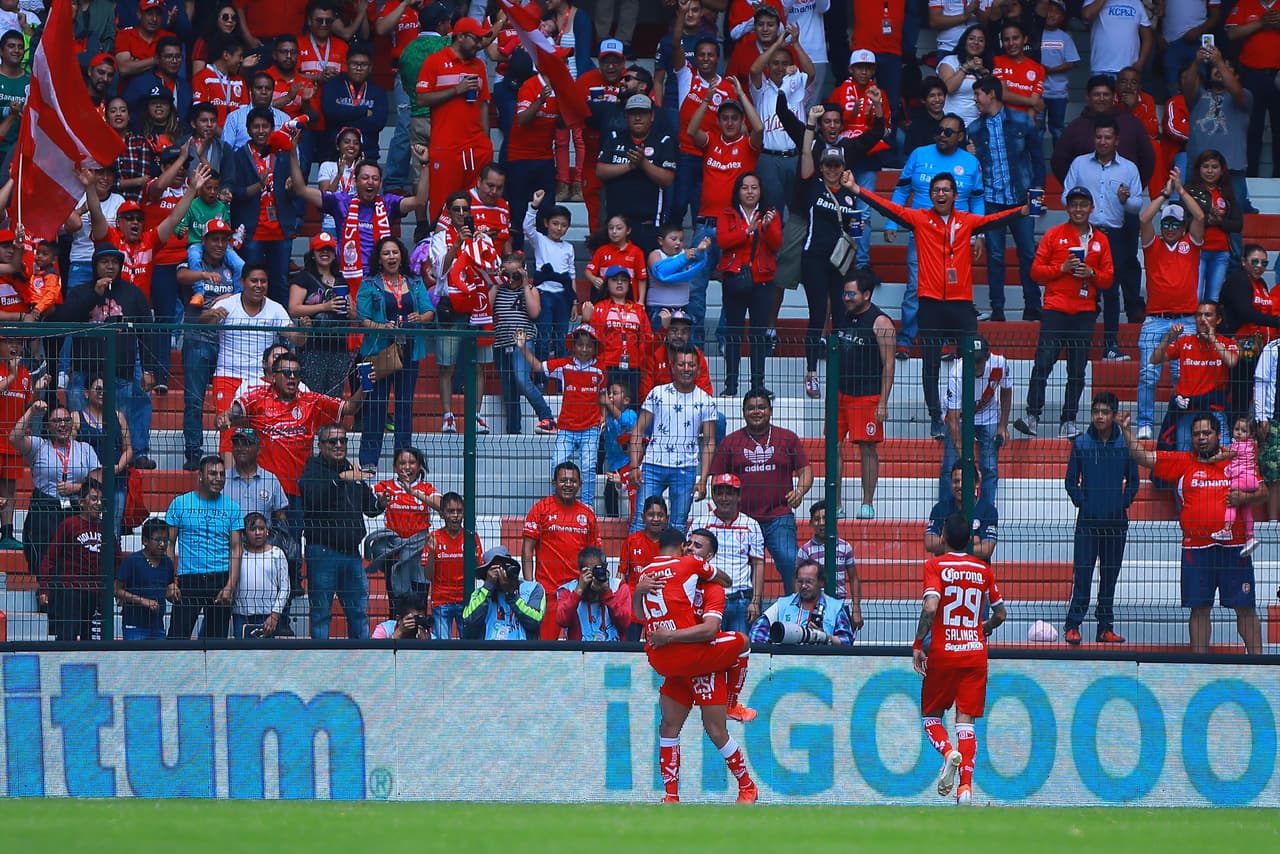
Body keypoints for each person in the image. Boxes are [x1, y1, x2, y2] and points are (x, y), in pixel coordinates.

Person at [847, 172, 1029, 440]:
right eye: (936, 190)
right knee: (930, 363)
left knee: (970, 360)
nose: (941, 194)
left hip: (961, 304)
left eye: (946, 190)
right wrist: (857, 190)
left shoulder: (966, 220)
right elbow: (889, 208)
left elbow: (994, 220)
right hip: (931, 302)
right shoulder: (920, 218)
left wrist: (1022, 211)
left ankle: (968, 414)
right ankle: (936, 418)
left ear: (955, 195)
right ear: (930, 195)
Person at [1119, 410, 1265, 654]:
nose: (1201, 438)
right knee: (1199, 609)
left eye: (1207, 433)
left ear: (1218, 435)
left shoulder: (1235, 459)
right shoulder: (1183, 461)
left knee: (1246, 609)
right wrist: (1125, 430)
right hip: (1196, 550)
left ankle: (1258, 664)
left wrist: (1243, 497)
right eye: (1196, 434)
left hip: (1235, 548)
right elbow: (1143, 456)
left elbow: (1263, 492)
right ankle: (1200, 666)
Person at [634, 527, 758, 804]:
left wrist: (669, 635)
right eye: (688, 544)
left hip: (700, 663)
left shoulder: (712, 588)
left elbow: (710, 630)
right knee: (668, 726)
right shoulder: (666, 578)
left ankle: (747, 786)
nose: (690, 548)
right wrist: (639, 591)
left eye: (697, 546)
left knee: (716, 731)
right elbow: (641, 614)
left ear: (709, 557)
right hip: (678, 662)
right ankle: (670, 796)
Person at [913, 512, 1007, 807]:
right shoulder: (983, 569)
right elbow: (1001, 614)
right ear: (969, 540)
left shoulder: (935, 565)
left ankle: (947, 753)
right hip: (975, 654)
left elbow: (931, 607)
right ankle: (965, 788)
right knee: (966, 722)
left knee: (931, 717)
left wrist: (918, 643)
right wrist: (983, 628)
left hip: (943, 653)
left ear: (942, 537)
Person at [216, 349, 365, 525]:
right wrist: (226, 416)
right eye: (287, 373)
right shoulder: (257, 397)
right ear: (273, 376)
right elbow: (234, 411)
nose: (292, 377)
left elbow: (349, 408)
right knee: (256, 538)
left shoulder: (311, 401)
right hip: (264, 487)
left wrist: (366, 385)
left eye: (296, 373)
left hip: (297, 490)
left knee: (292, 539)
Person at [1015, 187, 1115, 439]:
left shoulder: (1101, 240)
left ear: (1091, 208)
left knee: (1077, 369)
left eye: (1083, 204)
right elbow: (1035, 272)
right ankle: (1032, 416)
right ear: (1067, 208)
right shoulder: (1053, 235)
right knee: (1043, 364)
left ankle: (1068, 421)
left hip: (1084, 312)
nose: (1078, 209)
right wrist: (1061, 268)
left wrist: (1091, 273)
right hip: (1055, 310)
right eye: (1074, 204)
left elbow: (1108, 279)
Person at [886, 112, 984, 360]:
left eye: (948, 132)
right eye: (939, 130)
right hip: (922, 235)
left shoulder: (971, 162)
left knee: (950, 291)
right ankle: (906, 339)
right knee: (914, 287)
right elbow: (901, 190)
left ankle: (944, 341)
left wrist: (979, 234)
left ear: (961, 137)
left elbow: (977, 200)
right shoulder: (919, 155)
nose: (942, 135)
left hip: (956, 239)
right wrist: (891, 222)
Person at [1060, 117, 1144, 361]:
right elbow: (1064, 197)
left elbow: (1137, 205)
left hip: (1114, 236)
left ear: (1116, 140)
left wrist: (1125, 200)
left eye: (1108, 137)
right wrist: (1079, 202)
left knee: (1111, 291)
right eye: (1099, 137)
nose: (1103, 141)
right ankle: (1078, 345)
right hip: (1084, 233)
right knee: (1081, 288)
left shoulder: (1129, 168)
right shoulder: (1079, 163)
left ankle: (1110, 345)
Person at [1062, 392, 1140, 645]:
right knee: (1083, 575)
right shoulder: (1081, 443)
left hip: (1116, 522)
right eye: (1095, 411)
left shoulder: (1125, 444)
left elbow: (1134, 481)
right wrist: (1084, 503)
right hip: (1087, 522)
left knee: (1109, 577)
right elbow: (1070, 482)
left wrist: (1122, 503)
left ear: (1114, 415)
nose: (1099, 416)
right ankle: (1073, 625)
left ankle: (1105, 628)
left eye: (1105, 412)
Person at [1135, 170, 1207, 441]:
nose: (1169, 228)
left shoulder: (1191, 244)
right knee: (1148, 374)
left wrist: (1181, 191)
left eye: (1175, 224)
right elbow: (1144, 218)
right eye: (1166, 223)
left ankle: (1181, 426)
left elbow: (1200, 217)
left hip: (1186, 321)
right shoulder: (1152, 245)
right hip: (1155, 320)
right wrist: (1165, 194)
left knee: (1183, 376)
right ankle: (1144, 423)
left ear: (1182, 227)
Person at [299, 423, 387, 639]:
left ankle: (361, 656)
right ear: (320, 445)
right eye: (332, 441)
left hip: (352, 554)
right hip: (323, 552)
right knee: (321, 615)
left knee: (358, 613)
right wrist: (339, 480)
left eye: (343, 440)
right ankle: (321, 657)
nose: (339, 445)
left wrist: (381, 503)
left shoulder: (351, 469)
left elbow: (369, 507)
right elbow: (314, 498)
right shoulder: (312, 469)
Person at [967, 75, 1043, 321]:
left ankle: (1033, 306)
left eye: (978, 94)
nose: (975, 99)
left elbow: (1038, 158)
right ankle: (998, 309)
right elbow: (973, 168)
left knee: (1028, 253)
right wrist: (970, 155)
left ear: (991, 94)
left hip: (1022, 198)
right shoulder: (974, 129)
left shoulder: (1023, 120)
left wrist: (1038, 190)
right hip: (991, 200)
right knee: (996, 256)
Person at [355, 237, 434, 472]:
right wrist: (381, 327)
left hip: (409, 349)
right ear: (379, 259)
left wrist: (420, 318)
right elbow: (362, 318)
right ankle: (368, 461)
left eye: (395, 252)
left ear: (402, 256)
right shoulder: (369, 283)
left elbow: (429, 311)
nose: (391, 257)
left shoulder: (415, 282)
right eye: (386, 253)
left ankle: (404, 462)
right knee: (375, 405)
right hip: (377, 351)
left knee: (404, 405)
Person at [629, 346, 719, 533]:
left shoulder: (706, 400)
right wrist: (634, 466)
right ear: (672, 366)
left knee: (678, 525)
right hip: (653, 465)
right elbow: (638, 430)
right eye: (681, 364)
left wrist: (703, 479)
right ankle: (633, 554)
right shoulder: (657, 393)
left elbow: (710, 441)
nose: (686, 369)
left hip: (685, 469)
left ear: (698, 368)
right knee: (640, 521)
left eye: (691, 365)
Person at [515, 325, 606, 508]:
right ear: (573, 346)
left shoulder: (600, 370)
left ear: (595, 348)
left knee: (588, 467)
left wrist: (603, 416)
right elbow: (538, 366)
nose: (584, 349)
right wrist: (523, 347)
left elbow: (602, 396)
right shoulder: (564, 365)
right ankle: (556, 506)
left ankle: (587, 507)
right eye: (580, 345)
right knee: (557, 465)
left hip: (590, 428)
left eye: (589, 346)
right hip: (566, 429)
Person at [12, 400, 100, 588]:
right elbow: (15, 437)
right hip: (46, 508)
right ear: (48, 426)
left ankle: (72, 591)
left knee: (74, 555)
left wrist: (75, 488)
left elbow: (98, 482)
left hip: (76, 508)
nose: (62, 425)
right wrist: (31, 411)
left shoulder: (85, 449)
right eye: (57, 421)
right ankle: (46, 591)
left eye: (66, 420)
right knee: (44, 552)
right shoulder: (39, 446)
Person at [416, 17, 494, 220]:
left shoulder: (479, 65)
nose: (479, 44)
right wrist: (456, 90)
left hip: (476, 147)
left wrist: (486, 143)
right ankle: (439, 239)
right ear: (461, 37)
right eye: (476, 39)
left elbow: (483, 104)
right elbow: (421, 99)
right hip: (447, 147)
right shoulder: (434, 61)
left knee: (474, 207)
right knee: (442, 204)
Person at [833, 267, 896, 517]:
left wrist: (883, 402)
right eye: (844, 294)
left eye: (852, 294)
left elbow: (888, 364)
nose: (846, 298)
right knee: (833, 446)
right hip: (839, 392)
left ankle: (867, 503)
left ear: (866, 295)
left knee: (867, 448)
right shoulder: (843, 315)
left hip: (867, 395)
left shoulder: (880, 322)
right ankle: (836, 504)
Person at [522, 461, 603, 640]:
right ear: (554, 483)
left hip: (578, 593)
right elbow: (527, 550)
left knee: (579, 648)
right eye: (563, 480)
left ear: (580, 484)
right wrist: (529, 587)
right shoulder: (540, 509)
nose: (568, 484)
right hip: (548, 594)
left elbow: (596, 555)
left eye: (573, 481)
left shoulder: (588, 515)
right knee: (545, 649)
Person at [715, 173, 781, 395]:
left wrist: (766, 228)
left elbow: (776, 244)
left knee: (758, 335)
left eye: (754, 187)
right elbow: (723, 241)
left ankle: (758, 386)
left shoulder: (770, 214)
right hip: (734, 279)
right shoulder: (727, 213)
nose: (750, 192)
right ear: (738, 191)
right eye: (745, 188)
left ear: (761, 190)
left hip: (763, 280)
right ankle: (731, 385)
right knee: (733, 333)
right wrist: (747, 231)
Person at [166, 455, 244, 640]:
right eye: (213, 473)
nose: (218, 478)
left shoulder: (232, 508)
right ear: (200, 475)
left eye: (222, 474)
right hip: (189, 579)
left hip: (220, 579)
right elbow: (169, 545)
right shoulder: (180, 504)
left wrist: (230, 586)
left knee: (216, 642)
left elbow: (236, 549)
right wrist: (169, 582)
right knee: (177, 640)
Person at [596, 95, 678, 256]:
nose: (638, 118)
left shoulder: (663, 141)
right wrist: (630, 166)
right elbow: (600, 171)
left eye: (643, 113)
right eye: (633, 113)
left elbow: (667, 179)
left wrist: (643, 164)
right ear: (626, 116)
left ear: (652, 116)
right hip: (616, 226)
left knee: (646, 270)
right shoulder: (614, 137)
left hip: (648, 225)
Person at [1150, 302, 1238, 450]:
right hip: (1187, 411)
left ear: (1218, 320)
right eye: (1199, 315)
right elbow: (1154, 359)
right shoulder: (1184, 342)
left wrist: (1212, 339)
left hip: (1214, 410)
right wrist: (1169, 337)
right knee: (1184, 456)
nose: (1202, 319)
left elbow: (1231, 361)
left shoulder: (1227, 342)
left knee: (1221, 457)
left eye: (1208, 315)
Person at [687, 475, 765, 634]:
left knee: (740, 646)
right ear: (713, 496)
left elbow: (758, 563)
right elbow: (688, 559)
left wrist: (755, 601)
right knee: (710, 645)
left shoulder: (751, 524)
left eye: (729, 493)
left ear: (738, 496)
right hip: (709, 598)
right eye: (719, 493)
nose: (724, 498)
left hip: (741, 600)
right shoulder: (700, 523)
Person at [941, 337, 1012, 507]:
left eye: (979, 361)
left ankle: (986, 511)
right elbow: (953, 421)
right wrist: (968, 462)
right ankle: (946, 512)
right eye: (972, 361)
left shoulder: (999, 364)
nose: (975, 365)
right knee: (950, 466)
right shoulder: (957, 373)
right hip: (961, 416)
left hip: (988, 414)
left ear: (987, 357)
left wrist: (1003, 426)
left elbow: (1007, 390)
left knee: (990, 467)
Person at [492, 255, 556, 435]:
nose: (511, 280)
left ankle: (547, 417)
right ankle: (513, 431)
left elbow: (534, 312)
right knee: (509, 389)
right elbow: (485, 308)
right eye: (508, 275)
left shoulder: (530, 289)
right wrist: (496, 281)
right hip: (501, 341)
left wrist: (526, 283)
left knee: (522, 379)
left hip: (522, 341)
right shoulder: (498, 289)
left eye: (516, 275)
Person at [287, 232, 354, 397]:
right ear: (313, 254)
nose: (325, 253)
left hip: (339, 347)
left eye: (329, 249)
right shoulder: (303, 278)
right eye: (320, 249)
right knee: (312, 394)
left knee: (335, 395)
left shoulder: (341, 279)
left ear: (334, 254)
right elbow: (293, 309)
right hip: (312, 347)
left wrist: (349, 309)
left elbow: (353, 314)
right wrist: (325, 306)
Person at [371, 447, 440, 604]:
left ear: (419, 466)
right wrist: (379, 501)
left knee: (420, 602)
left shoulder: (426, 488)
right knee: (396, 603)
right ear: (395, 467)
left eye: (412, 463)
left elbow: (442, 506)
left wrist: (414, 493)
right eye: (402, 463)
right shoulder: (385, 486)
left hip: (420, 551)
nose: (407, 467)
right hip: (394, 551)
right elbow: (363, 497)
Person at [39, 480, 105, 642]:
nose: (98, 503)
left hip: (96, 592)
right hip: (70, 591)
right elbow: (50, 557)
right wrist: (45, 587)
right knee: (67, 638)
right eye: (94, 499)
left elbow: (115, 558)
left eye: (101, 500)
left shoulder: (105, 528)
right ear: (81, 502)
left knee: (92, 641)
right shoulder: (69, 524)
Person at [71, 374, 132, 538]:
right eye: (98, 389)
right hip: (87, 483)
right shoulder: (76, 417)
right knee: (85, 528)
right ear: (86, 393)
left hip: (115, 481)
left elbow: (128, 448)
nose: (101, 393)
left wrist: (118, 467)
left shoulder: (118, 416)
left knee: (113, 529)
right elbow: (70, 449)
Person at [581, 266, 651, 404]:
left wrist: (642, 366)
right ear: (607, 283)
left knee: (631, 407)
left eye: (623, 280)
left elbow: (647, 339)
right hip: (607, 366)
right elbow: (589, 339)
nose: (619, 283)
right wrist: (586, 320)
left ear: (629, 284)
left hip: (633, 367)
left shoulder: (638, 310)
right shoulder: (599, 307)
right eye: (614, 280)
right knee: (605, 405)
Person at [1183, 149, 1243, 304]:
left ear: (1222, 170)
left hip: (1221, 253)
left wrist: (1220, 222)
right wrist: (1208, 220)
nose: (1210, 171)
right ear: (1199, 169)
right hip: (1197, 251)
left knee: (1213, 299)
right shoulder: (1190, 190)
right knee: (1195, 297)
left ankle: (1210, 322)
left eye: (1214, 167)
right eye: (1206, 166)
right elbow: (1184, 220)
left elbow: (1238, 224)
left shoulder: (1227, 192)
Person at [748, 558, 856, 645]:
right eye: (800, 581)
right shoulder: (782, 604)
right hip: (786, 663)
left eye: (809, 581)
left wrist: (825, 638)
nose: (804, 586)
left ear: (821, 582)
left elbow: (847, 641)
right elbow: (756, 635)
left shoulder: (835, 607)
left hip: (822, 663)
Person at [424, 491, 483, 640]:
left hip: (466, 600)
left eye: (459, 511)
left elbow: (479, 574)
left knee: (469, 645)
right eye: (451, 511)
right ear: (442, 514)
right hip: (441, 601)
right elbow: (428, 576)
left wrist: (475, 559)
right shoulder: (434, 537)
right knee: (443, 646)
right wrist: (432, 553)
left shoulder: (471, 537)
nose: (455, 515)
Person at [797, 500, 862, 630]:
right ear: (811, 523)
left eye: (825, 518)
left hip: (840, 605)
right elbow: (797, 582)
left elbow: (853, 578)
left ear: (834, 520)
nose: (821, 523)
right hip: (814, 607)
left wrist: (856, 608)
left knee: (842, 640)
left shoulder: (845, 547)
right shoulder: (805, 550)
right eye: (817, 519)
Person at [462, 546, 547, 641]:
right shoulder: (480, 594)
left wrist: (511, 594)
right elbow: (468, 621)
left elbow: (535, 620)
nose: (501, 574)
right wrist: (488, 587)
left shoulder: (533, 589)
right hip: (489, 649)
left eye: (503, 567)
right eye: (495, 570)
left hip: (523, 649)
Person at [320, 45, 387, 160]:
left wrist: (342, 116)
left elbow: (378, 122)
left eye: (364, 64)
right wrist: (364, 111)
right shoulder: (333, 86)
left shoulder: (378, 91)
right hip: (334, 154)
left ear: (370, 67)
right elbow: (330, 112)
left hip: (367, 154)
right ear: (346, 65)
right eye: (354, 64)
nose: (359, 68)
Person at [116, 517, 177, 640]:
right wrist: (142, 601)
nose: (162, 544)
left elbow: (168, 587)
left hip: (157, 625)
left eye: (165, 540)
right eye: (158, 540)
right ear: (145, 541)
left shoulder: (167, 563)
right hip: (134, 625)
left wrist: (173, 591)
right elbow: (116, 589)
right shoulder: (133, 561)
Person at [556, 545, 633, 641]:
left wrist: (607, 593)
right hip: (579, 649)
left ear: (605, 567)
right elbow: (562, 621)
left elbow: (624, 624)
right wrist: (579, 591)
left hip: (613, 649)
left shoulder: (618, 587)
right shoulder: (568, 589)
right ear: (580, 571)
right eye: (589, 571)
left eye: (598, 570)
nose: (594, 576)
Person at [232, 511, 290, 638]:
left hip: (268, 615)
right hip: (241, 615)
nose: (258, 533)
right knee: (240, 650)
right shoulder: (239, 554)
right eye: (253, 529)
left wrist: (275, 615)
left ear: (267, 531)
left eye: (261, 528)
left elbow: (285, 588)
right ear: (244, 533)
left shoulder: (277, 554)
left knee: (266, 650)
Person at [927, 462, 998, 563]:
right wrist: (974, 541)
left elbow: (986, 550)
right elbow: (929, 544)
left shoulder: (989, 511)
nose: (960, 485)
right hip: (947, 569)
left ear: (977, 483)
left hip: (976, 571)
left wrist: (948, 543)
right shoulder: (939, 508)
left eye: (965, 481)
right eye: (956, 481)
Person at [1217, 415, 1262, 556]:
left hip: (1242, 479)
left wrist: (1211, 458)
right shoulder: (1251, 445)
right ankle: (1250, 537)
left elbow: (1226, 456)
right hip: (1252, 480)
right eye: (1237, 429)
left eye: (1243, 431)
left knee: (1232, 502)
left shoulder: (1237, 445)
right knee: (1246, 508)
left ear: (1250, 434)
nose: (1239, 433)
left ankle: (1227, 529)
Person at [1081, 0, 1153, 78]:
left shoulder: (1136, 3)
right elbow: (1087, 15)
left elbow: (1147, 37)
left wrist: (1141, 61)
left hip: (1129, 70)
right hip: (1101, 67)